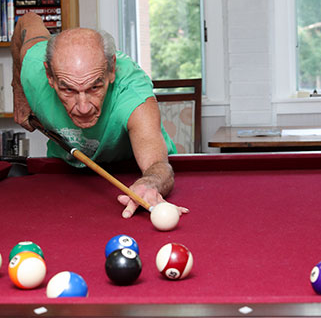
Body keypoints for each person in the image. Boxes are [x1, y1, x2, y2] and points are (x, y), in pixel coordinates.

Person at [11, 12, 188, 219]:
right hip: (64, 175)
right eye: (68, 90)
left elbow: (157, 165)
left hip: (129, 170)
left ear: (111, 70)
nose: (84, 107)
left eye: (95, 87)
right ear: (49, 76)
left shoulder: (133, 96)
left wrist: (150, 183)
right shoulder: (34, 70)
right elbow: (27, 20)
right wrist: (19, 92)